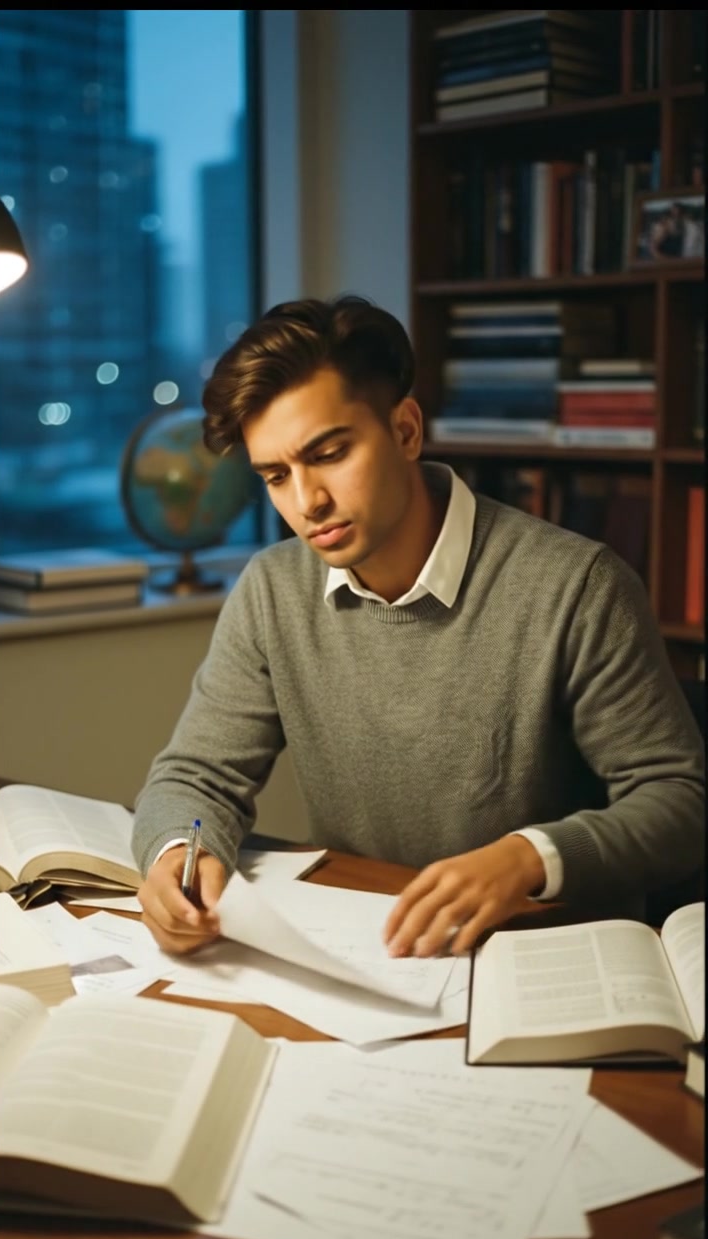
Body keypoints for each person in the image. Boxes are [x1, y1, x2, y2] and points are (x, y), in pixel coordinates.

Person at [132, 294, 705, 958]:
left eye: (330, 453)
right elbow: (197, 780)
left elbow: (679, 804)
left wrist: (529, 857)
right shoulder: (272, 589)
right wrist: (180, 848)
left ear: (405, 430)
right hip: (373, 955)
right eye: (276, 476)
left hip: (545, 955)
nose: (307, 502)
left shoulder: (576, 586)